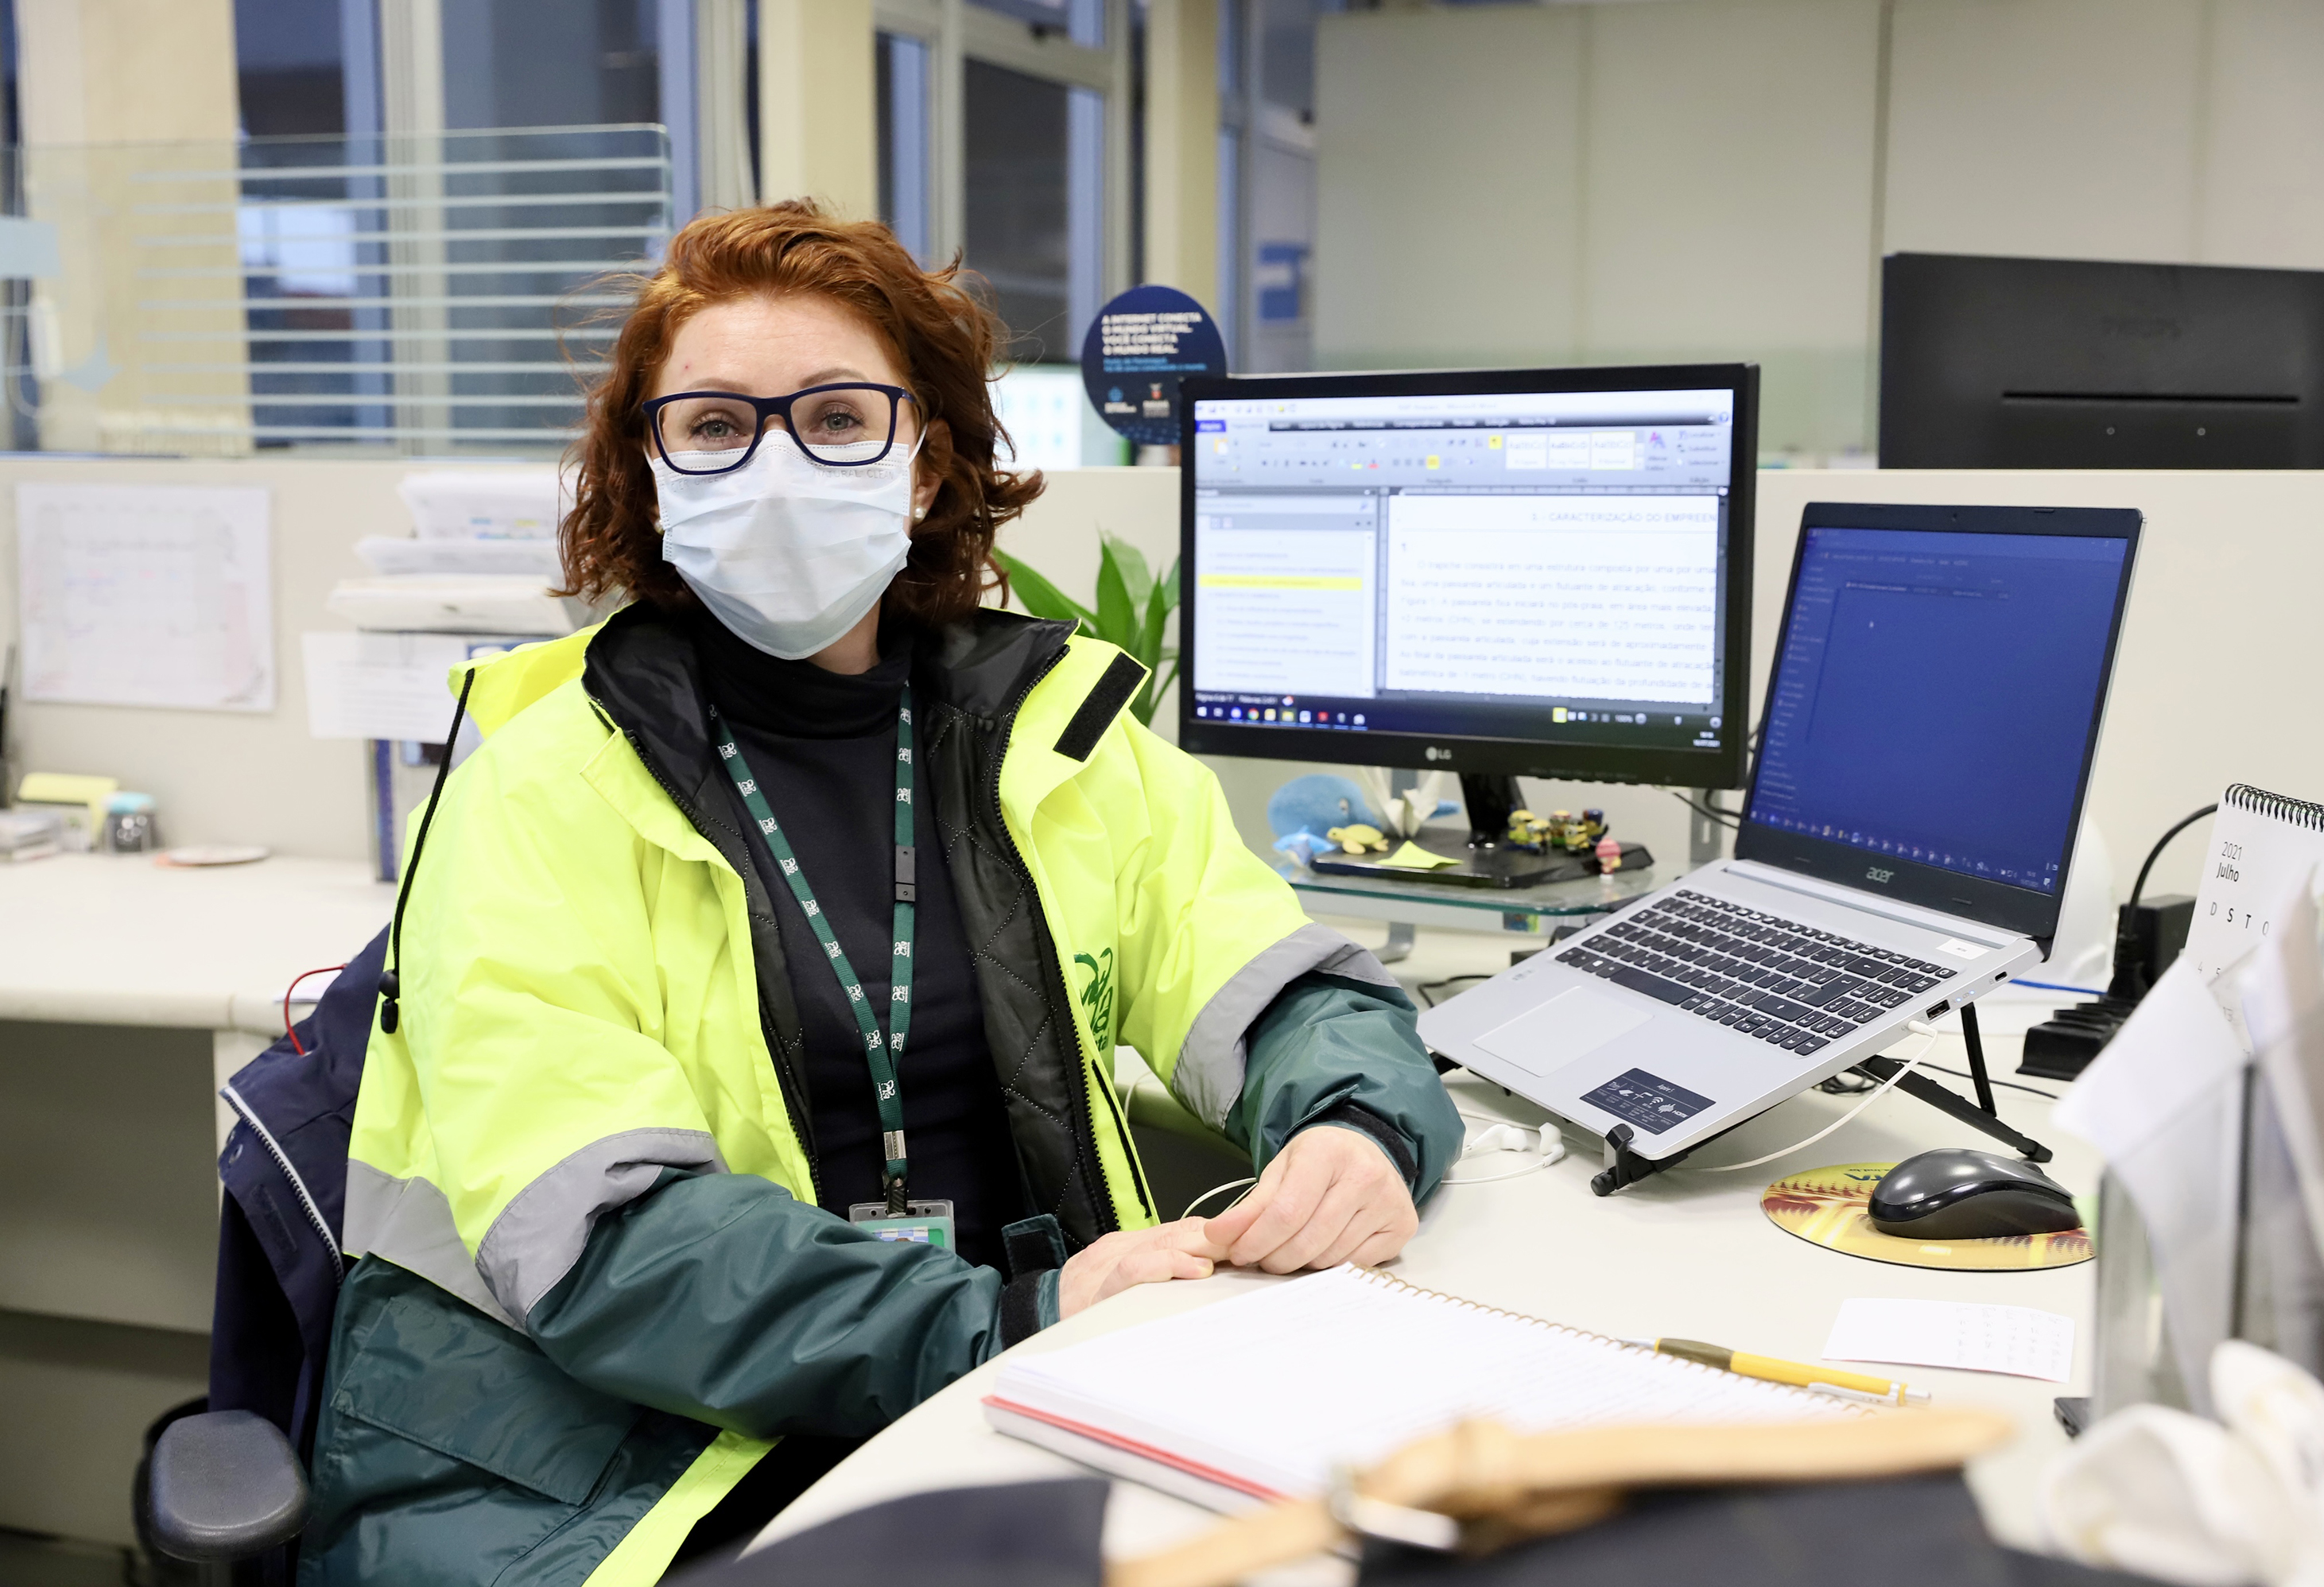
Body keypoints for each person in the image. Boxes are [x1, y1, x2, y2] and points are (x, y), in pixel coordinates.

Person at [299, 201, 1462, 1586]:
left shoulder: (1057, 744)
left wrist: (1359, 1127)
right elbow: (616, 1249)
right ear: (651, 476)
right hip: (627, 1466)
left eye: (840, 418)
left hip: (1017, 1390)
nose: (779, 465)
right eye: (717, 426)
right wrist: (1013, 1319)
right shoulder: (534, 794)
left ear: (925, 464)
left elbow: (1282, 987)